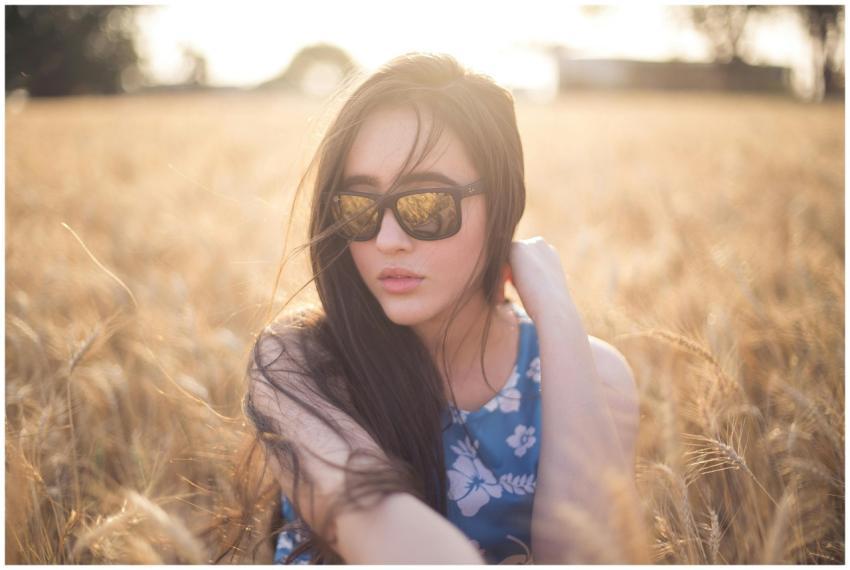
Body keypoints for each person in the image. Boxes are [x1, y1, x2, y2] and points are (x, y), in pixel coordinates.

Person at [243, 52, 640, 565]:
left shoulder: (596, 376)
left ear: (501, 206)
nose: (387, 240)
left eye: (425, 204)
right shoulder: (300, 366)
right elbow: (378, 528)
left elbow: (590, 557)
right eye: (359, 208)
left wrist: (559, 316)